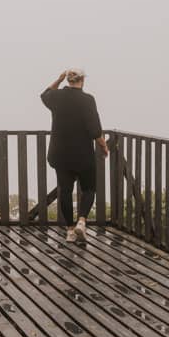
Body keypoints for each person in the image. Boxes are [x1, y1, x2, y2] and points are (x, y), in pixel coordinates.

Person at [40, 68, 108, 243]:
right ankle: (82, 221)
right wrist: (104, 146)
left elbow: (45, 94)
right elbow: (95, 130)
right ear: (82, 80)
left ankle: (70, 230)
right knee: (89, 188)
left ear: (68, 80)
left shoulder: (56, 97)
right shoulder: (87, 100)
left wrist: (58, 78)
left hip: (60, 154)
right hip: (82, 154)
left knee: (65, 191)